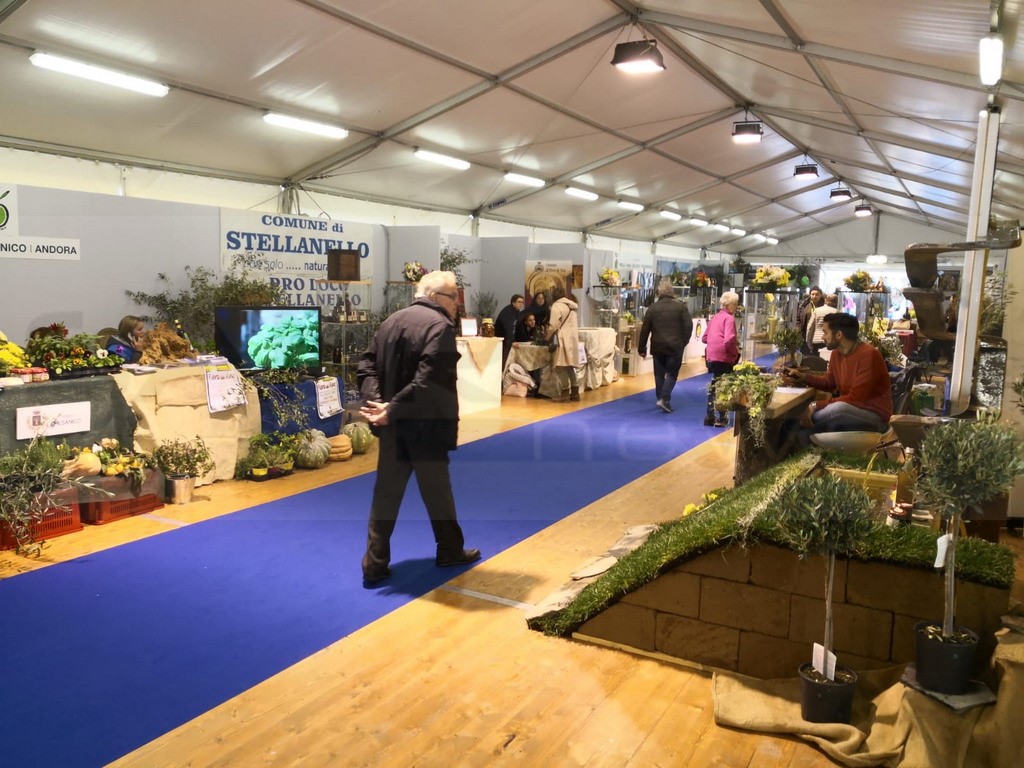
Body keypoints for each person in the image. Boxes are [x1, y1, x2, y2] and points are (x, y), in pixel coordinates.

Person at [356, 270, 480, 585]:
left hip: (393, 425)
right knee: (438, 493)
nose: (457, 303)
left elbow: (366, 365)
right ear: (436, 296)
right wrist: (389, 409)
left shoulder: (391, 321)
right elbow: (429, 381)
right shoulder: (440, 327)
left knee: (386, 494)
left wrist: (380, 406)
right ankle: (450, 550)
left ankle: (374, 563)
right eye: (454, 297)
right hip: (426, 427)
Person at [781, 312, 893, 442]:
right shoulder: (836, 353)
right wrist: (803, 377)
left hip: (875, 418)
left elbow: (856, 398)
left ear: (839, 335)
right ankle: (794, 433)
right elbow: (829, 383)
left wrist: (815, 405)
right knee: (807, 431)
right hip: (849, 413)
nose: (823, 337)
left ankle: (792, 424)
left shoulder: (869, 355)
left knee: (838, 408)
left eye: (825, 332)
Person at [638, 279, 693, 413]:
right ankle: (664, 398)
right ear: (672, 292)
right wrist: (683, 342)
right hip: (675, 346)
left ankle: (660, 398)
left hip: (657, 347)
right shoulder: (681, 307)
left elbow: (645, 330)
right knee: (672, 374)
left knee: (659, 374)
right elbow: (688, 327)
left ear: (659, 293)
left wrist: (642, 348)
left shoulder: (652, 308)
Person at [703, 291, 741, 427]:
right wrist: (735, 353)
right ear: (729, 305)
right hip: (723, 356)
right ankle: (721, 417)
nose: (736, 307)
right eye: (735, 304)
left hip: (711, 356)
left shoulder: (715, 317)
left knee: (715, 384)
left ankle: (710, 415)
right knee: (724, 386)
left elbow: (704, 338)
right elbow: (729, 340)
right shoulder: (729, 319)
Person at [545, 284, 580, 402]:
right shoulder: (572, 306)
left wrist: (547, 336)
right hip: (572, 339)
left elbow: (554, 324)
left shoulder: (556, 306)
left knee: (560, 366)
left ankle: (565, 393)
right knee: (570, 366)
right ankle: (575, 393)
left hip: (562, 339)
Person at [495, 293, 525, 365]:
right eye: (519, 302)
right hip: (503, 339)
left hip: (508, 338)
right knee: (505, 359)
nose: (521, 304)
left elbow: (518, 327)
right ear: (513, 302)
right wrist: (512, 341)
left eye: (522, 302)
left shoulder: (517, 312)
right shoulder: (508, 311)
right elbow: (508, 327)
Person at [797, 286, 824, 353]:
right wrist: (798, 329)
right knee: (805, 353)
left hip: (819, 335)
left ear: (820, 295)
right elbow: (798, 318)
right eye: (812, 294)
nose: (814, 296)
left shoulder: (824, 306)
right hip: (805, 333)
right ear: (810, 295)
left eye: (817, 294)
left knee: (817, 354)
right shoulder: (804, 305)